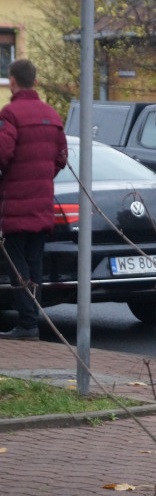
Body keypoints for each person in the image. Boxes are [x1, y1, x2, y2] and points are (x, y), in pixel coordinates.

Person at [0, 59, 68, 341]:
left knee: (17, 265)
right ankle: (32, 320)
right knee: (33, 263)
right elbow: (61, 157)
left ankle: (28, 324)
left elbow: (2, 154)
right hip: (41, 204)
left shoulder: (10, 113)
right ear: (35, 82)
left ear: (13, 80)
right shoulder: (51, 114)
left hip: (15, 204)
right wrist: (42, 176)